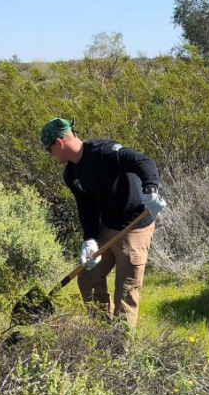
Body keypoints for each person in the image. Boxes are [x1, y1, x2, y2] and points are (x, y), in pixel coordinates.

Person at [41, 118, 167, 328]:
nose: (49, 155)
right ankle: (101, 336)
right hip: (108, 228)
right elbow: (86, 207)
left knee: (125, 292)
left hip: (135, 226)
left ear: (59, 143)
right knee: (88, 280)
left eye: (48, 149)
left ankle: (121, 351)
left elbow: (144, 162)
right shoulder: (71, 174)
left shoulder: (105, 152)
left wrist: (151, 190)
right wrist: (89, 239)